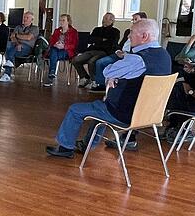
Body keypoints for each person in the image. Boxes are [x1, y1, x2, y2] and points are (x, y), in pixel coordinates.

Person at [46, 19, 171, 158]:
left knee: (75, 110)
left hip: (124, 113)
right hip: (150, 114)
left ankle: (65, 148)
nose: (129, 36)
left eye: (132, 32)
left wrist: (113, 75)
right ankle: (87, 145)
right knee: (100, 108)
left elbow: (107, 71)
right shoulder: (164, 55)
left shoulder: (136, 59)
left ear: (144, 36)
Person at [89, 12, 148, 93]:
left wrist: (126, 55)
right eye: (133, 20)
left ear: (143, 20)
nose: (134, 21)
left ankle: (107, 85)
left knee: (103, 63)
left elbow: (139, 50)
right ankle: (101, 84)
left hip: (129, 56)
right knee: (100, 62)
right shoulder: (128, 31)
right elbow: (120, 44)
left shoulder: (144, 34)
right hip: (120, 53)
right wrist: (118, 51)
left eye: (136, 19)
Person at [71, 12, 120, 88]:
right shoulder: (97, 29)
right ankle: (84, 77)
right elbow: (90, 40)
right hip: (92, 50)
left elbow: (111, 43)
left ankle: (95, 81)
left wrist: (97, 41)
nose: (104, 20)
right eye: (104, 18)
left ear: (112, 21)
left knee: (92, 62)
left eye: (106, 19)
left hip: (104, 52)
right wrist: (102, 40)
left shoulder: (115, 31)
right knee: (75, 60)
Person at [0, 11, 39, 82]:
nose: (25, 19)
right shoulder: (18, 27)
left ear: (31, 20)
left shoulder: (35, 28)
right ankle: (7, 72)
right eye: (24, 17)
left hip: (27, 48)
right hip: (16, 46)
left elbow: (28, 37)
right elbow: (12, 37)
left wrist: (17, 36)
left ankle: (7, 71)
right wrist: (18, 43)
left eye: (27, 17)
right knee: (9, 44)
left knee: (10, 51)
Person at [43, 14, 79, 87]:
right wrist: (55, 44)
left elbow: (74, 45)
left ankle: (51, 74)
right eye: (60, 20)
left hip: (67, 51)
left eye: (63, 20)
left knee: (53, 53)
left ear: (68, 22)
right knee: (54, 51)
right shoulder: (57, 30)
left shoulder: (73, 32)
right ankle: (51, 74)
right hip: (56, 49)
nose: (61, 22)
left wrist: (64, 46)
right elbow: (51, 41)